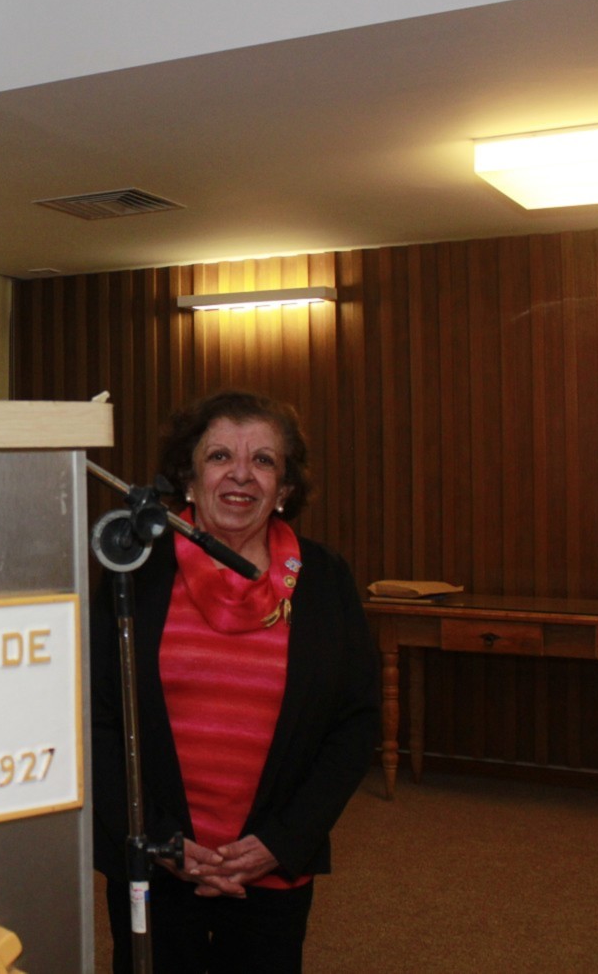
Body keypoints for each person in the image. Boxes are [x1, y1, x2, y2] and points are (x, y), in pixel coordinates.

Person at [92, 390, 378, 972]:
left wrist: (282, 842)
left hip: (272, 865)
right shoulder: (134, 569)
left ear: (284, 489)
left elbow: (356, 722)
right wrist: (157, 838)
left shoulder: (324, 579)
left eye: (263, 461)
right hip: (158, 859)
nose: (241, 474)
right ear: (188, 479)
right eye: (220, 456)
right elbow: (95, 719)